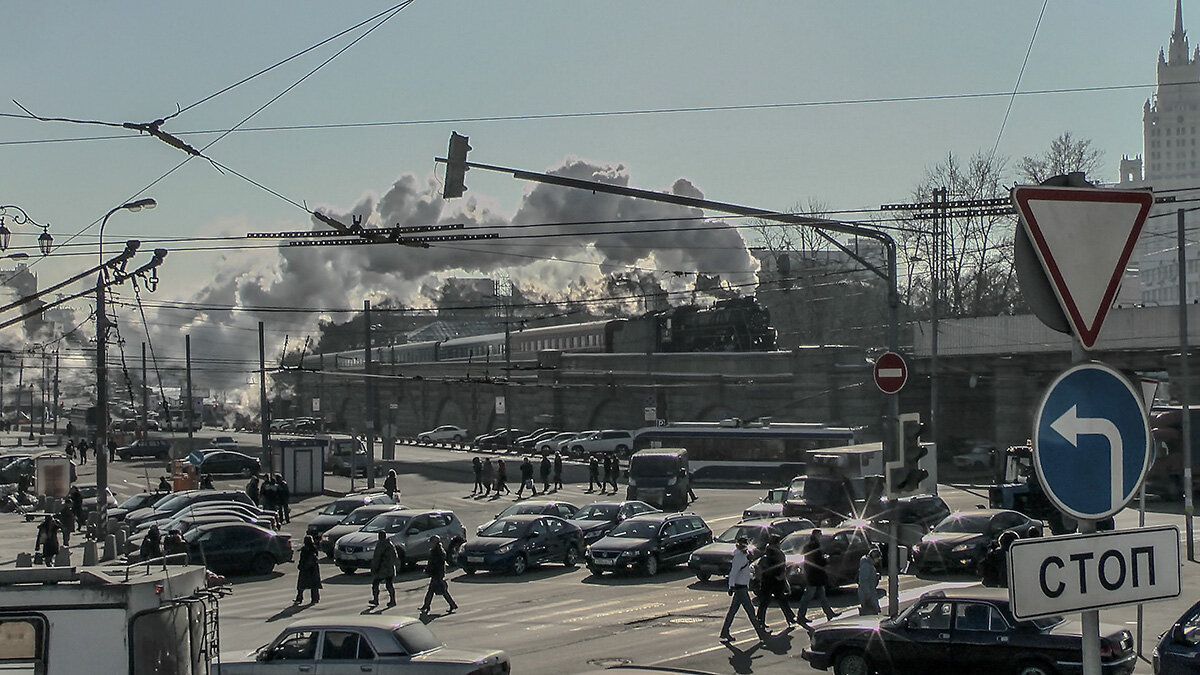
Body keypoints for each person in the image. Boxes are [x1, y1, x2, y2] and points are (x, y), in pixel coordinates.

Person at [720, 536, 766, 641]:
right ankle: (761, 635)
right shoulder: (739, 557)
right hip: (740, 588)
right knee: (750, 612)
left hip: (742, 587)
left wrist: (752, 577)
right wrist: (731, 586)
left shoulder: (743, 555)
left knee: (732, 611)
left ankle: (724, 632)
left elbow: (744, 571)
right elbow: (734, 572)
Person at [795, 529, 839, 625]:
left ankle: (829, 613)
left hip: (814, 575)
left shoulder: (810, 545)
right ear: (816, 535)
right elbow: (817, 561)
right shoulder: (814, 546)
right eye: (819, 534)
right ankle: (800, 616)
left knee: (822, 595)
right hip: (814, 575)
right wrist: (825, 560)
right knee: (808, 596)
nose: (820, 536)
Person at [756, 534, 798, 629]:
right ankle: (790, 618)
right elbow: (780, 567)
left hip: (767, 580)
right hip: (776, 580)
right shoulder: (777, 553)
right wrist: (781, 577)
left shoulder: (767, 552)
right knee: (781, 600)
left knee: (765, 602)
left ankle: (760, 620)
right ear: (776, 543)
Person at [420, 534, 458, 615]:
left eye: (431, 542)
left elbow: (435, 564)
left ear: (435, 543)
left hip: (437, 574)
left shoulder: (438, 552)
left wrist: (428, 570)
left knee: (439, 591)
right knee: (436, 591)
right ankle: (427, 605)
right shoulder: (435, 551)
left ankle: (427, 606)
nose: (430, 544)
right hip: (436, 574)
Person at [369, 531, 398, 606]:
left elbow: (377, 558)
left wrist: (374, 568)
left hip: (381, 569)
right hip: (390, 568)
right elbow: (395, 556)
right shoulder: (390, 544)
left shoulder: (380, 545)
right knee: (389, 585)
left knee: (375, 584)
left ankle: (376, 600)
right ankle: (393, 600)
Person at [295, 535, 321, 604]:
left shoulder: (304, 549)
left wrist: (300, 566)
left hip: (305, 569)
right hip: (313, 569)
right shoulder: (314, 548)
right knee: (314, 585)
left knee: (301, 585)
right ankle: (315, 599)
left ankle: (299, 598)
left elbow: (302, 559)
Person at [857, 548, 882, 615]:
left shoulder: (868, 564)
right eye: (878, 559)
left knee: (872, 610)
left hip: (869, 592)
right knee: (870, 611)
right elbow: (864, 580)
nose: (878, 561)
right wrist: (867, 593)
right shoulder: (866, 565)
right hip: (868, 593)